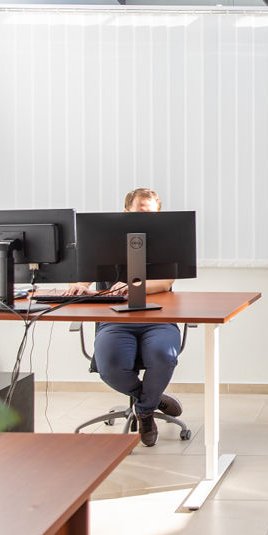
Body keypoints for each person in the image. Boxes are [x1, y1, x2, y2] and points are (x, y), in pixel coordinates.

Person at [64, 188, 183, 446]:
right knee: (110, 366)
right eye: (140, 212)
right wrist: (79, 286)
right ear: (126, 211)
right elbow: (82, 277)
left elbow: (165, 283)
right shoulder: (103, 241)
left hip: (158, 319)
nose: (146, 219)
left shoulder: (166, 242)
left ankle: (145, 413)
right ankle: (153, 400)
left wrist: (133, 286)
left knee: (164, 355)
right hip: (115, 320)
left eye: (151, 214)